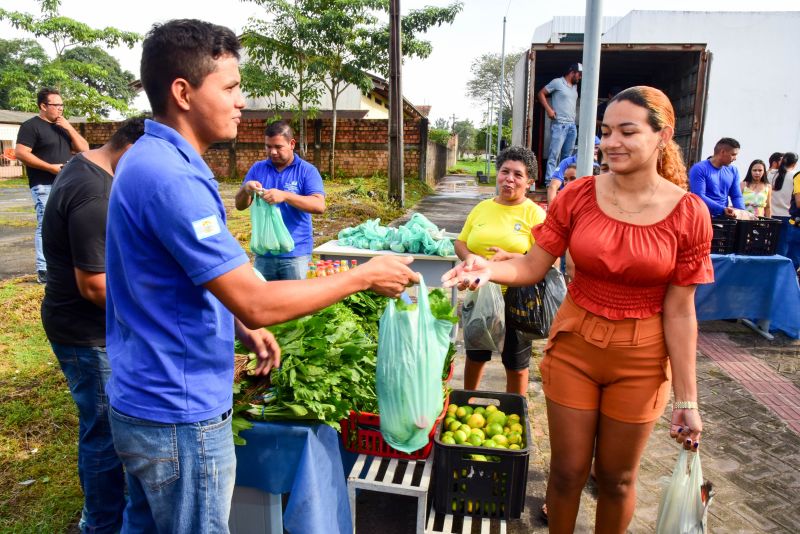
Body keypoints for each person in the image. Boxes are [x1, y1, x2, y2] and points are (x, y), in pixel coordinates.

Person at [104, 20, 418, 533]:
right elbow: (257, 300)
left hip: (145, 399)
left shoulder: (151, 160)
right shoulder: (172, 178)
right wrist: (362, 277)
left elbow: (175, 285)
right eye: (229, 87)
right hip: (179, 417)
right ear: (182, 92)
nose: (241, 100)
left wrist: (240, 329)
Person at [443, 86, 712, 532]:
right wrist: (487, 271)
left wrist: (688, 399)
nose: (611, 143)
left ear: (662, 136)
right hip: (574, 348)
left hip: (642, 359)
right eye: (606, 131)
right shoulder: (578, 195)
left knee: (616, 478)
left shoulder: (689, 214)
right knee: (567, 473)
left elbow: (682, 311)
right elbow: (532, 264)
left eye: (627, 131)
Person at [40, 118, 145, 534]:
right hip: (85, 333)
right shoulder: (94, 193)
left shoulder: (84, 166)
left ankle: (106, 514)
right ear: (131, 150)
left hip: (86, 328)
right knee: (104, 432)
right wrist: (150, 319)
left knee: (101, 426)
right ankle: (101, 524)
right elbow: (95, 285)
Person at [455, 146, 546, 396]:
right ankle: (468, 400)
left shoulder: (535, 214)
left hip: (518, 297)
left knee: (516, 364)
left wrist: (515, 257)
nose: (509, 179)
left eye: (518, 174)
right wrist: (469, 256)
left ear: (529, 181)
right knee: (475, 355)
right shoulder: (482, 208)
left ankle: (515, 409)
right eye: (505, 171)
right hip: (479, 292)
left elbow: (547, 259)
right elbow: (460, 242)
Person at [15, 87, 89, 283]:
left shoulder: (61, 127)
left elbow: (85, 149)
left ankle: (62, 266)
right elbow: (21, 153)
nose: (60, 109)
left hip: (66, 184)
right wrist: (49, 167)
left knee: (67, 224)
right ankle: (43, 269)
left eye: (62, 105)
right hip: (43, 185)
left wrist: (69, 127)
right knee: (46, 225)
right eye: (56, 105)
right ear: (43, 106)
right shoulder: (31, 126)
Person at [234, 120, 325, 279]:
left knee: (296, 302)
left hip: (296, 254)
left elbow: (319, 205)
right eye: (268, 147)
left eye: (278, 147)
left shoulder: (307, 171)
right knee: (263, 301)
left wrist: (286, 196)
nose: (273, 152)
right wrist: (246, 189)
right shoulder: (258, 168)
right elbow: (240, 206)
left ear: (292, 144)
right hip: (264, 253)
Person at [538, 63, 582, 182]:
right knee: (554, 155)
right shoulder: (557, 82)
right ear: (572, 72)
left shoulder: (574, 87)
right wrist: (549, 109)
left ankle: (563, 181)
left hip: (572, 125)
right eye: (579, 74)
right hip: (560, 124)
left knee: (567, 157)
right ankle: (549, 181)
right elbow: (541, 93)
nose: (580, 77)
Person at [688, 137, 745, 218]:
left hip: (725, 219)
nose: (735, 158)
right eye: (733, 154)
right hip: (702, 217)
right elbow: (698, 196)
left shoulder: (733, 170)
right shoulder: (699, 168)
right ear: (722, 152)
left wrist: (742, 213)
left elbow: (736, 196)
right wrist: (722, 209)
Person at [546, 136, 600, 205]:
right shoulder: (567, 162)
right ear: (583, 147)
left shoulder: (602, 163)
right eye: (594, 147)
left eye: (597, 148)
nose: (596, 150)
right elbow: (553, 187)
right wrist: (552, 212)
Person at [769, 152, 798, 259]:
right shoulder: (795, 176)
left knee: (768, 249)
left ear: (781, 161)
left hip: (769, 216)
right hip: (787, 217)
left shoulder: (770, 174)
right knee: (782, 253)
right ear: (794, 164)